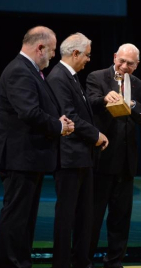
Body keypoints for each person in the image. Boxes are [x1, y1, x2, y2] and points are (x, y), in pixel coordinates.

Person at [0, 26, 74, 268]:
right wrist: (58, 127)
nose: (53, 56)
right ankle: (12, 264)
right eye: (52, 50)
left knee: (24, 218)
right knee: (17, 217)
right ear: (40, 48)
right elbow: (29, 112)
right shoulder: (19, 71)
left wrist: (59, 122)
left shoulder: (30, 70)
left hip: (27, 158)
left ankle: (21, 262)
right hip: (19, 158)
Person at [46, 32, 109, 268]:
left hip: (81, 157)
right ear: (75, 53)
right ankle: (62, 263)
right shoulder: (58, 77)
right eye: (87, 55)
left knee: (84, 215)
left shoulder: (70, 77)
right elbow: (69, 116)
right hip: (69, 158)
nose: (88, 60)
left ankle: (81, 261)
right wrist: (96, 135)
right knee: (67, 216)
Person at [85, 43, 141, 268]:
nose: (124, 66)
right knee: (91, 217)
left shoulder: (139, 85)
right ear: (114, 57)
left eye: (130, 63)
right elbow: (90, 101)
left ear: (137, 65)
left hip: (126, 162)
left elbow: (140, 112)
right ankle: (84, 261)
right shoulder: (97, 77)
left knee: (121, 219)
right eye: (121, 61)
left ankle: (114, 262)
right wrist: (105, 98)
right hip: (101, 159)